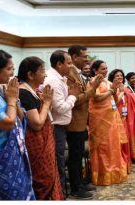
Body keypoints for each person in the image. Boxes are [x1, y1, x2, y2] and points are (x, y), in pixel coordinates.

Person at [0, 48, 34, 200]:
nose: (12, 73)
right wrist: (11, 100)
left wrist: (14, 98)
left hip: (10, 156)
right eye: (9, 69)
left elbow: (20, 117)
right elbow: (7, 124)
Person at [18, 56, 63, 200]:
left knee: (49, 176)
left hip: (43, 142)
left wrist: (45, 102)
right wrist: (47, 103)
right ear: (30, 75)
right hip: (36, 144)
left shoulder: (33, 91)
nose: (45, 75)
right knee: (43, 179)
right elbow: (37, 123)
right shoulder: (23, 93)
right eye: (42, 71)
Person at [65, 45, 103, 199]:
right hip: (73, 123)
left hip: (81, 121)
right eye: (84, 56)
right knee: (75, 156)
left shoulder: (76, 72)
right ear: (74, 57)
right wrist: (93, 88)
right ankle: (76, 188)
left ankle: (80, 182)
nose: (87, 59)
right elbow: (75, 100)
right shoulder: (69, 73)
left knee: (79, 154)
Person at [43, 50, 79, 199]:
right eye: (68, 63)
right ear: (59, 64)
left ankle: (61, 192)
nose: (71, 67)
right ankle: (61, 195)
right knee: (58, 161)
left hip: (60, 127)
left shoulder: (60, 78)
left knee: (60, 160)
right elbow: (61, 107)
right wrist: (73, 96)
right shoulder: (53, 80)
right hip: (56, 127)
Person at [88, 60, 128, 185]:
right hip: (99, 118)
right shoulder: (93, 82)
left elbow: (115, 101)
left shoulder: (108, 82)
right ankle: (102, 174)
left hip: (111, 117)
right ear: (95, 70)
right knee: (103, 147)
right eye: (102, 69)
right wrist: (111, 91)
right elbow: (96, 97)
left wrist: (116, 91)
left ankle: (114, 171)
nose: (105, 71)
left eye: (106, 68)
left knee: (113, 146)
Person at [108, 69, 135, 172]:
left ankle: (126, 163)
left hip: (125, 119)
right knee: (118, 142)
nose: (119, 77)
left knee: (125, 141)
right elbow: (113, 103)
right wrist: (121, 92)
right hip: (115, 119)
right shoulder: (110, 88)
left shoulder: (125, 89)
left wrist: (125, 93)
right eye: (117, 76)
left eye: (121, 75)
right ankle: (119, 165)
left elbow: (132, 100)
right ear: (112, 77)